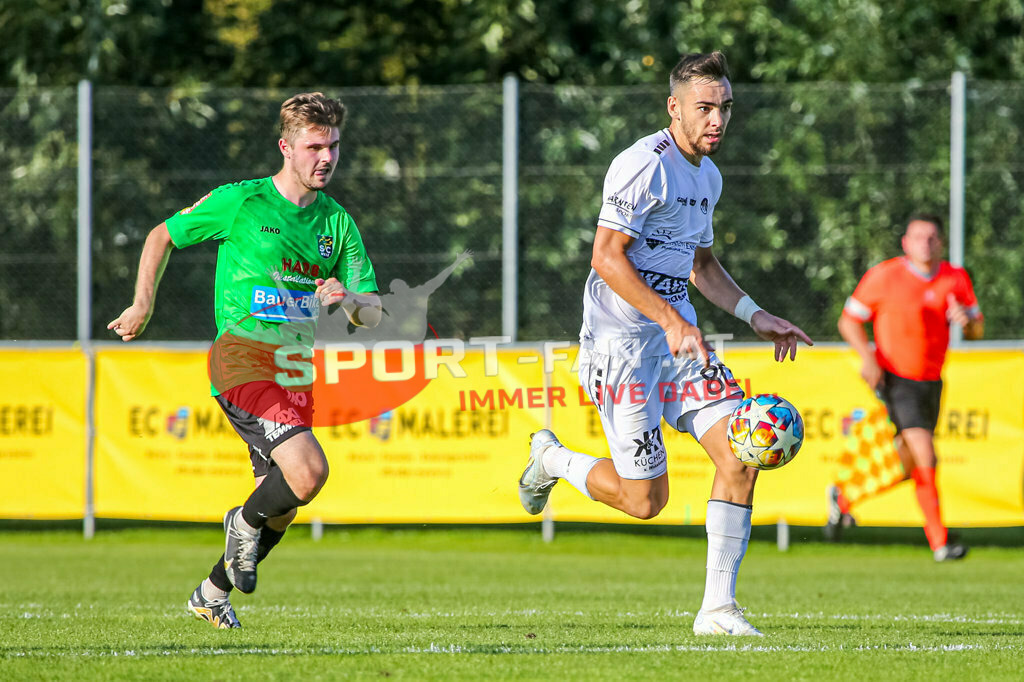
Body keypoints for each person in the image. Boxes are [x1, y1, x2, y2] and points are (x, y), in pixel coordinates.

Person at [517, 52, 813, 637]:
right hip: (621, 347)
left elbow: (701, 263)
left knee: (740, 452)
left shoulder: (709, 175)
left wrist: (755, 314)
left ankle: (718, 610)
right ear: (673, 107)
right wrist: (671, 321)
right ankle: (551, 458)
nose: (717, 120)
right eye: (705, 108)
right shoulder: (641, 164)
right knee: (644, 501)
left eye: (725, 107)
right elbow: (606, 257)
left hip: (679, 344)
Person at [108, 92, 382, 629]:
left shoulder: (338, 224)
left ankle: (210, 592)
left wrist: (347, 301)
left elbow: (371, 313)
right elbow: (162, 235)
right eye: (314, 146)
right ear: (286, 147)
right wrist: (143, 304)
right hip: (242, 358)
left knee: (281, 506)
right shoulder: (243, 201)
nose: (325, 157)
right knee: (309, 471)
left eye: (334, 146)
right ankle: (240, 522)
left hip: (294, 372)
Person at [830, 213, 983, 561]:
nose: (924, 244)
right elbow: (848, 320)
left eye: (931, 238)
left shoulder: (955, 278)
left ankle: (843, 498)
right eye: (917, 237)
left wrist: (967, 322)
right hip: (897, 378)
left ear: (941, 243)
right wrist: (867, 358)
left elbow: (976, 330)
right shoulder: (885, 275)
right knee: (926, 456)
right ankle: (941, 542)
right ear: (905, 243)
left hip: (932, 381)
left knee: (911, 463)